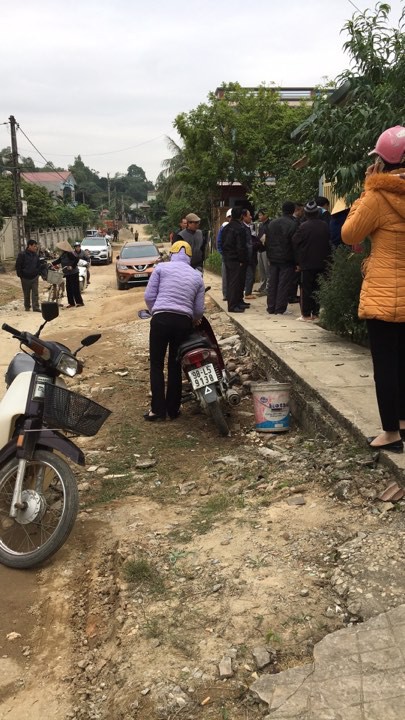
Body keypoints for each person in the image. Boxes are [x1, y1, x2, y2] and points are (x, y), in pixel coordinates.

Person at [341, 125, 405, 452]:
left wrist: (367, 188)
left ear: (382, 162)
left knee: (386, 364)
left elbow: (350, 233)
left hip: (384, 291)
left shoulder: (378, 197)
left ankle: (391, 433)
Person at [143, 240, 205, 421]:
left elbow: (148, 296)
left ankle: (157, 410)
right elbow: (199, 310)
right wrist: (192, 318)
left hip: (161, 319)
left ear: (172, 254)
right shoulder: (196, 276)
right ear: (189, 257)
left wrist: (155, 310)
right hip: (183, 323)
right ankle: (173, 409)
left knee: (156, 364)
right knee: (175, 364)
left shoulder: (161, 268)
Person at [292, 200, 332, 321]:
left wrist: (297, 262)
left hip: (307, 264)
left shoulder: (303, 227)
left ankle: (305, 314)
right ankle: (315, 313)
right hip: (322, 262)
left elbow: (295, 242)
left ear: (307, 214)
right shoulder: (325, 225)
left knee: (306, 289)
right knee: (318, 288)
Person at [264, 201, 297, 315]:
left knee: (273, 283)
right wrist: (297, 261)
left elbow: (267, 242)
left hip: (273, 258)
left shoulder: (272, 223)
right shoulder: (293, 224)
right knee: (283, 283)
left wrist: (269, 255)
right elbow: (295, 244)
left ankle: (271, 307)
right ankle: (280, 308)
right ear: (293, 211)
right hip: (287, 258)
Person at [221, 207, 249, 313]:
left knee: (231, 281)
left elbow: (222, 243)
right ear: (241, 216)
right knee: (235, 282)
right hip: (236, 258)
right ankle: (233, 306)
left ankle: (236, 303)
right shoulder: (239, 228)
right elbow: (240, 246)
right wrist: (242, 259)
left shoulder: (226, 228)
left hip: (228, 257)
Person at [52, 240, 84, 308]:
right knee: (68, 288)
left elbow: (76, 259)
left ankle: (79, 302)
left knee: (75, 288)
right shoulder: (64, 254)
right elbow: (58, 260)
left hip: (73, 273)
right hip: (67, 273)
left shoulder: (70, 253)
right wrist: (51, 264)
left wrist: (72, 266)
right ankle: (71, 303)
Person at [15, 239, 43, 312]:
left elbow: (38, 265)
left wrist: (38, 273)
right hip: (25, 278)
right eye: (34, 246)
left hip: (34, 277)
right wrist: (20, 275)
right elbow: (18, 266)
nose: (35, 248)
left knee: (35, 293)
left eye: (36, 246)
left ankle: (36, 307)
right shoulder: (22, 255)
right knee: (26, 293)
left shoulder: (36, 255)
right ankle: (27, 307)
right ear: (29, 246)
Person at [217, 208, 232, 300]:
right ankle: (226, 294)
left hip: (233, 256)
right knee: (226, 276)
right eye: (229, 217)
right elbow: (219, 242)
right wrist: (222, 252)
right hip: (226, 255)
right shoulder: (224, 227)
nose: (231, 218)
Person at [255, 209, 271, 295]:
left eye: (261, 215)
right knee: (261, 270)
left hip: (266, 250)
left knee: (267, 270)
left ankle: (268, 288)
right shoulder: (261, 225)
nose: (259, 217)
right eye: (259, 215)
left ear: (266, 215)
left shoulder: (270, 224)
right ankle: (262, 286)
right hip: (260, 249)